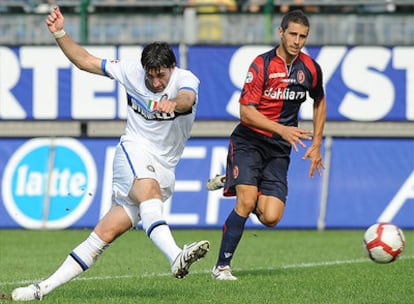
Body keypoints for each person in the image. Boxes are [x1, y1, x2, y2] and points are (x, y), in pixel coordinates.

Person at [11, 6, 209, 301]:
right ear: (143, 70)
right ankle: (175, 257)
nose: (156, 83)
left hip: (166, 165)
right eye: (151, 76)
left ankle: (41, 289)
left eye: (162, 76)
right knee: (150, 193)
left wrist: (174, 103)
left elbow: (187, 99)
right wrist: (60, 33)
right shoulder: (129, 71)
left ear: (172, 69)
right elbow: (85, 61)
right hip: (134, 150)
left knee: (103, 236)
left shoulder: (185, 79)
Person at [209, 9, 326, 280]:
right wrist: (282, 129)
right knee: (247, 202)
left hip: (279, 149)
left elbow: (320, 101)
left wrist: (318, 142)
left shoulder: (310, 68)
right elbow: (246, 112)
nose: (297, 41)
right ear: (281, 33)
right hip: (249, 140)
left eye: (303, 37)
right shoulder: (261, 65)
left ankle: (236, 178)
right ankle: (221, 267)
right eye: (293, 34)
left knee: (271, 217)